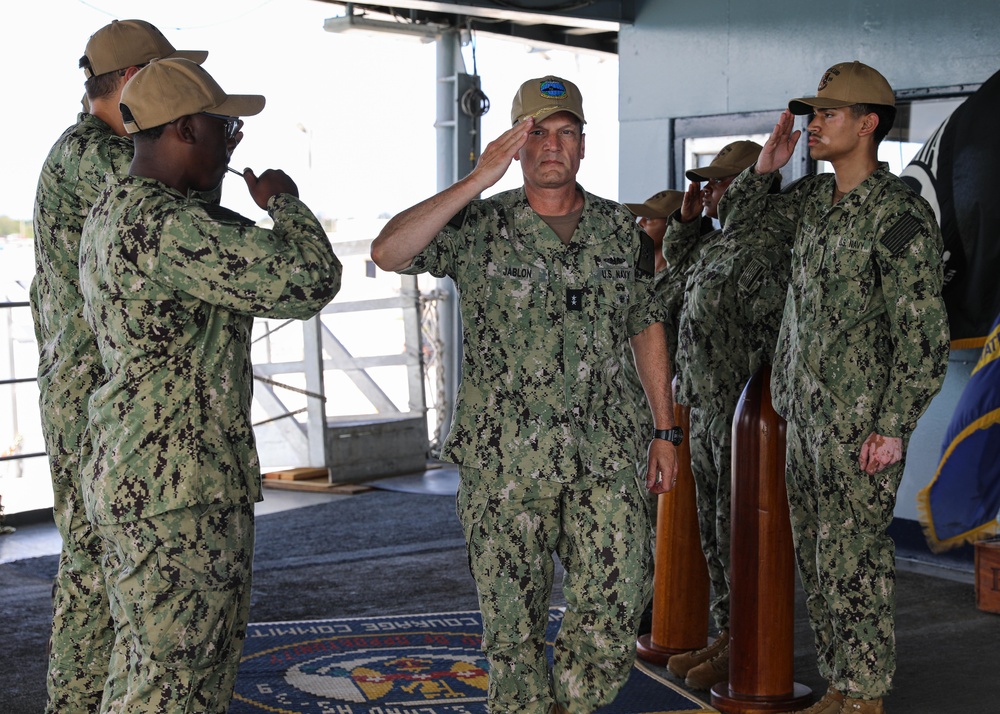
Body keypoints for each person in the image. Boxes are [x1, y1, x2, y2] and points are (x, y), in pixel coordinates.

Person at [371, 75, 680, 714]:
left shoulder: (623, 234)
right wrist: (476, 180)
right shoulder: (479, 225)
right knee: (512, 629)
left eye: (566, 132)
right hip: (507, 465)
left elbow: (646, 324)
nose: (552, 146)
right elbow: (389, 252)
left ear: (584, 145)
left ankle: (568, 706)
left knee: (617, 598)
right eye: (537, 132)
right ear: (516, 143)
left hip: (607, 456)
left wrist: (664, 429)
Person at [78, 58, 343, 712]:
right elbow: (310, 277)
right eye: (227, 127)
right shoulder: (170, 227)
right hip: (177, 493)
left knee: (150, 669)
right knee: (173, 683)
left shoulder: (119, 212)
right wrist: (285, 201)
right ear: (187, 129)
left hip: (147, 478)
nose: (235, 142)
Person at [721, 61, 949, 714]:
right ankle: (842, 686)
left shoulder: (900, 216)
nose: (813, 124)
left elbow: (922, 336)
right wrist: (766, 168)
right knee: (820, 564)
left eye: (828, 113)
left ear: (868, 124)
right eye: (813, 113)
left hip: (859, 428)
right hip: (805, 417)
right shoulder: (811, 203)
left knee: (856, 564)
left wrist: (895, 425)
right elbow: (738, 226)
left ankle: (865, 692)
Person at [30, 19, 208, 713]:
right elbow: (174, 213)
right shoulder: (95, 155)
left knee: (104, 558)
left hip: (98, 385)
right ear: (136, 82)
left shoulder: (88, 146)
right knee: (96, 561)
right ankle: (78, 701)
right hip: (92, 388)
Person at [663, 140, 791, 691]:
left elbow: (771, 340)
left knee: (739, 536)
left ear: (744, 184)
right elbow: (670, 288)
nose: (707, 190)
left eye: (717, 183)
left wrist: (757, 414)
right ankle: (727, 633)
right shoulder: (719, 243)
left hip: (740, 415)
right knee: (716, 535)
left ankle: (746, 641)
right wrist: (687, 225)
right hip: (707, 411)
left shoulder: (761, 245)